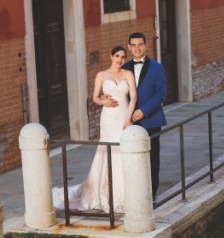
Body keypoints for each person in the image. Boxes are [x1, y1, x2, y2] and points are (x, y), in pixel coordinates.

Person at [53, 46, 136, 213]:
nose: (120, 60)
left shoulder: (128, 74)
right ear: (111, 57)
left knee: (123, 151)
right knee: (108, 151)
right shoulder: (101, 75)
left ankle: (126, 194)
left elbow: (133, 97)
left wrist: (128, 119)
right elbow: (95, 97)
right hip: (108, 118)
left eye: (123, 57)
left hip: (123, 116)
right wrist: (102, 101)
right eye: (117, 56)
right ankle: (104, 192)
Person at [125, 31, 167, 197]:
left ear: (145, 45)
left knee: (151, 160)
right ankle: (134, 194)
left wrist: (143, 111)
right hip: (129, 122)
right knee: (131, 160)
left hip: (151, 120)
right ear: (129, 47)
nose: (137, 48)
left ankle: (151, 195)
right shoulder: (124, 67)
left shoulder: (157, 67)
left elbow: (161, 95)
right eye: (133, 45)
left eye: (140, 44)